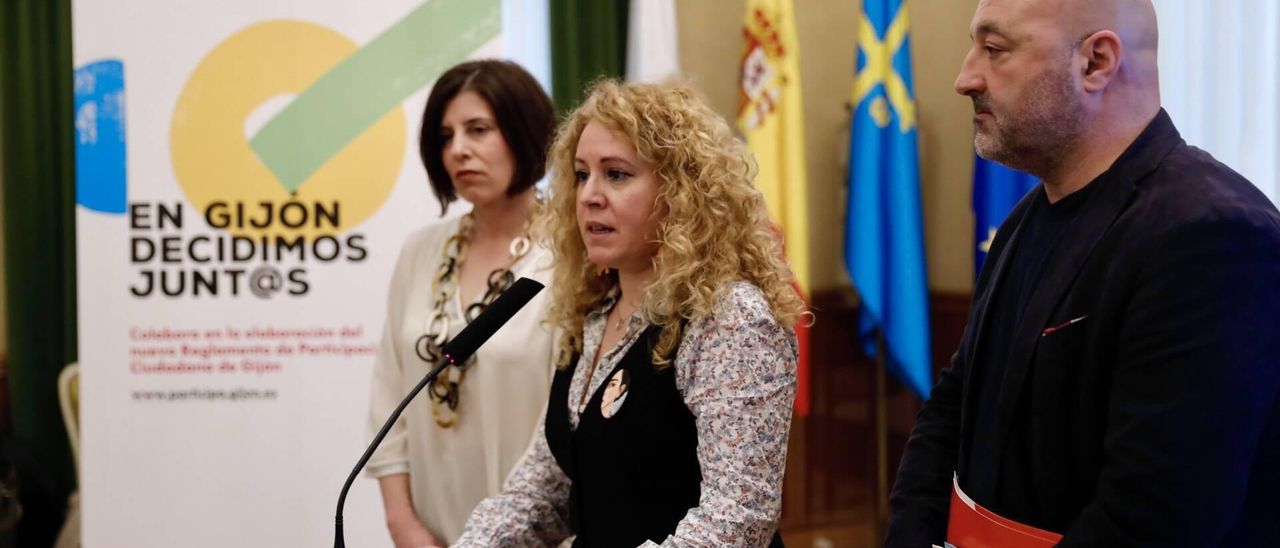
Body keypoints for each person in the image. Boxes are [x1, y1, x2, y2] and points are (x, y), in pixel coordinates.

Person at [886, 0, 1280, 546]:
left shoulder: (1213, 234)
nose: (964, 77)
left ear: (1095, 62)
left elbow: (1155, 517)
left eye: (994, 49)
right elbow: (954, 406)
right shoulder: (1027, 218)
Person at [453, 80, 804, 547]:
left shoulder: (729, 319)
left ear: (681, 193)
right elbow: (545, 491)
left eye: (616, 174)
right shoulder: (591, 312)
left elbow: (738, 520)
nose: (589, 196)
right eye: (581, 175)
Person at [364, 59, 558, 548]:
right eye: (445, 136)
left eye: (478, 130)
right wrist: (402, 523)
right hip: (429, 534)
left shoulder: (574, 254)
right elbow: (389, 393)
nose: (459, 151)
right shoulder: (420, 250)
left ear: (525, 131)